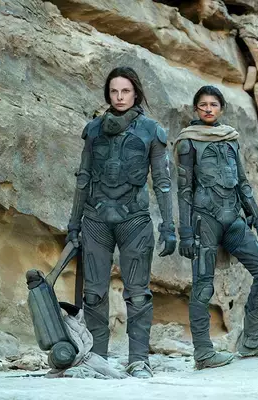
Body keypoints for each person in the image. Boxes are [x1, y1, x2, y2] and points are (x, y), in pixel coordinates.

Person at [66, 66, 176, 378]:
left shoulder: (151, 130)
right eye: (114, 91)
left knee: (138, 293)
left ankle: (139, 360)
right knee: (93, 294)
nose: (119, 96)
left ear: (135, 93)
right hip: (96, 220)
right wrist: (74, 224)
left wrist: (169, 226)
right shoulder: (93, 130)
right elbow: (83, 178)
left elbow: (163, 181)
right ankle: (97, 358)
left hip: (135, 221)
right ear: (108, 94)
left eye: (125, 91)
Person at [175, 85, 258, 370]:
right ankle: (203, 353)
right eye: (203, 105)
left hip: (234, 220)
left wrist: (257, 219)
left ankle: (252, 340)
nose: (208, 109)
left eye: (213, 104)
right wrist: (185, 232)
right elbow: (184, 190)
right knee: (202, 287)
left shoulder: (230, 138)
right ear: (195, 109)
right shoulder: (188, 142)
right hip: (205, 222)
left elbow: (243, 183)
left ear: (221, 108)